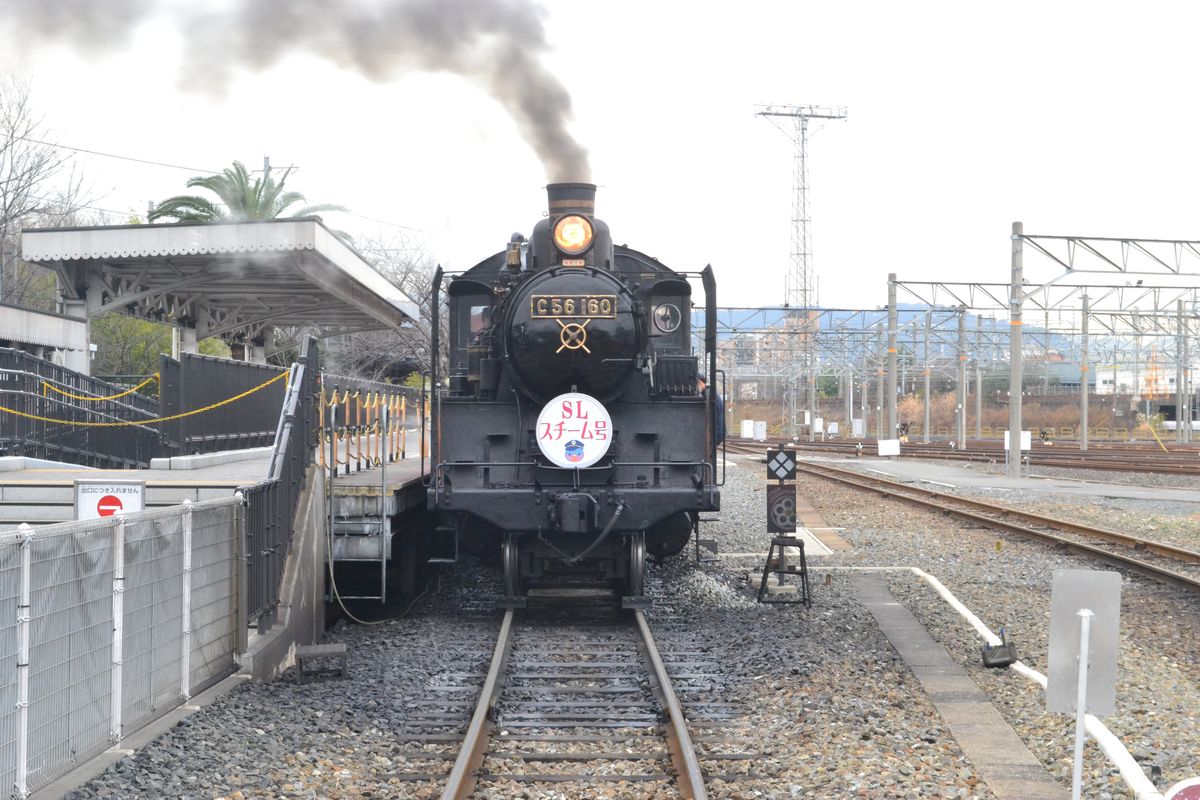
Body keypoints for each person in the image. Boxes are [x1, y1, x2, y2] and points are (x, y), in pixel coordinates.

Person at [697, 373, 725, 444]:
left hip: (715, 432)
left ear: (699, 382)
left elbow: (711, 413)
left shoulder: (709, 395)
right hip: (718, 431)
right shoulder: (710, 393)